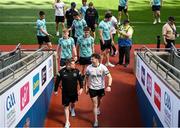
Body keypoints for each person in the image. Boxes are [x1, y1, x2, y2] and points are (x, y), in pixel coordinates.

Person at [54, 59, 83, 128]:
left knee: (73, 103)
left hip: (74, 92)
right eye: (73, 64)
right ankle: (67, 121)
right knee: (66, 107)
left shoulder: (77, 71)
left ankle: (72, 109)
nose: (75, 65)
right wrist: (55, 90)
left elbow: (80, 80)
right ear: (68, 65)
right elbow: (57, 82)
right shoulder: (61, 72)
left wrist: (81, 88)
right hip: (65, 93)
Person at [85, 53, 112, 127]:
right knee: (94, 104)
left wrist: (109, 86)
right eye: (91, 59)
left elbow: (110, 77)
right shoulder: (88, 68)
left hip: (101, 88)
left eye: (92, 59)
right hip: (92, 88)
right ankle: (96, 121)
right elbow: (86, 78)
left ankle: (98, 108)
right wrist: (86, 87)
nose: (91, 60)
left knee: (99, 101)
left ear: (97, 59)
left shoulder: (103, 67)